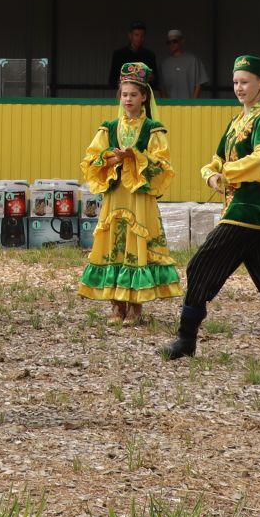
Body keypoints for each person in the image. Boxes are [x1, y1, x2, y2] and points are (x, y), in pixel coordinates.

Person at [161, 55, 260, 362]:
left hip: (246, 211)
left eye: (245, 81)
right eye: (236, 81)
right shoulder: (237, 121)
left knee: (199, 266)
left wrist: (228, 173)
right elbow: (215, 159)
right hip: (245, 213)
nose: (239, 87)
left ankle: (186, 339)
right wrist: (211, 173)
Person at [78, 62, 183, 326]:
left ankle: (135, 305)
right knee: (115, 243)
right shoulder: (108, 128)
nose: (128, 99)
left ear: (144, 97)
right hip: (116, 195)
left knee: (136, 244)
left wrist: (135, 156)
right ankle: (116, 305)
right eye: (124, 94)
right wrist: (113, 158)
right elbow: (92, 159)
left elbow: (162, 165)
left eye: (133, 95)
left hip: (139, 198)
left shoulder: (153, 129)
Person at [158, 30, 209, 101]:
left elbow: (199, 84)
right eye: (169, 42)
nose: (172, 44)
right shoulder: (164, 64)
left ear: (182, 41)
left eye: (174, 41)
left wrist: (193, 102)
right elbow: (162, 88)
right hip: (170, 107)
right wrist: (166, 104)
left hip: (189, 106)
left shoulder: (193, 60)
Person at [107, 22, 157, 89]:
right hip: (125, 94)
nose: (139, 38)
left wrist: (151, 78)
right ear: (130, 35)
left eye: (142, 36)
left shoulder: (149, 55)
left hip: (143, 94)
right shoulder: (119, 54)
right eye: (136, 35)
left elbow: (156, 81)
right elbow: (112, 80)